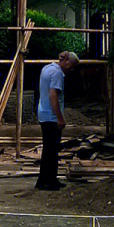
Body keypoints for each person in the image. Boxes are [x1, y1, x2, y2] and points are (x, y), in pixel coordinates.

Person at [35, 50, 80, 190]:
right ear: (65, 61)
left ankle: (46, 180)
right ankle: (47, 181)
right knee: (52, 150)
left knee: (49, 150)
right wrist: (60, 118)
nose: (71, 69)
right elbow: (53, 95)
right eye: (71, 65)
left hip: (43, 113)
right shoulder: (57, 74)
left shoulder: (47, 68)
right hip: (51, 116)